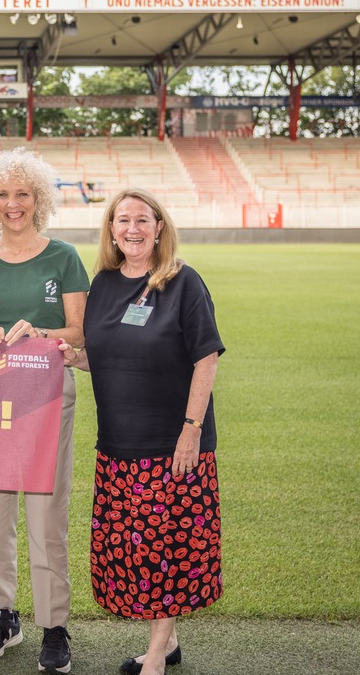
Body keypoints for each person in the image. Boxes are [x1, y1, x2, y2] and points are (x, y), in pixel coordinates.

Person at [59, 187, 224, 675]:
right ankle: (166, 642)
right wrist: (73, 357)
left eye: (142, 220)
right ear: (111, 228)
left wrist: (191, 430)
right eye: (122, 220)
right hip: (117, 445)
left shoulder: (183, 281)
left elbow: (206, 357)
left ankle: (155, 657)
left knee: (167, 550)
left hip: (171, 445)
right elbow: (104, 356)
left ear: (159, 228)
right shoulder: (105, 283)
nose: (132, 229)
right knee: (135, 551)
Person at [0, 148, 89, 674]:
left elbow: (80, 332)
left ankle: (54, 624)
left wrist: (42, 333)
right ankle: (3, 614)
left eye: (23, 194)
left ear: (40, 199)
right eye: (3, 194)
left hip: (49, 396)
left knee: (45, 514)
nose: (13, 204)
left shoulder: (63, 258)